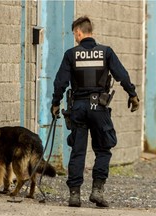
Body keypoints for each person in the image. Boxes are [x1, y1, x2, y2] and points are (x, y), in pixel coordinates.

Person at [50, 16, 139, 208]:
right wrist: (132, 94)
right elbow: (122, 75)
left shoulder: (71, 54)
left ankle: (74, 195)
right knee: (103, 150)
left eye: (75, 34)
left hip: (79, 108)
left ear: (80, 32)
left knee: (77, 151)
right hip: (99, 107)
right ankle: (97, 191)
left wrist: (55, 103)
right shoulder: (106, 52)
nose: (75, 37)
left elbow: (60, 82)